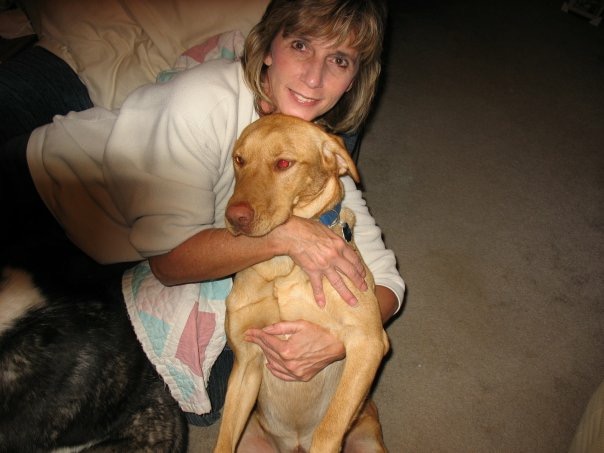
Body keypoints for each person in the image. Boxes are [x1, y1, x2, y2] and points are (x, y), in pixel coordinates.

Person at [1, 0, 405, 442]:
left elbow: (382, 276)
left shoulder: (315, 143)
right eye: (301, 45)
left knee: (253, 359)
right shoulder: (205, 101)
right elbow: (169, 263)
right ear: (268, 47)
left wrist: (339, 341)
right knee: (181, 390)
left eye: (339, 60)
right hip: (47, 201)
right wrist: (287, 235)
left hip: (136, 239)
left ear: (354, 78)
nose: (314, 77)